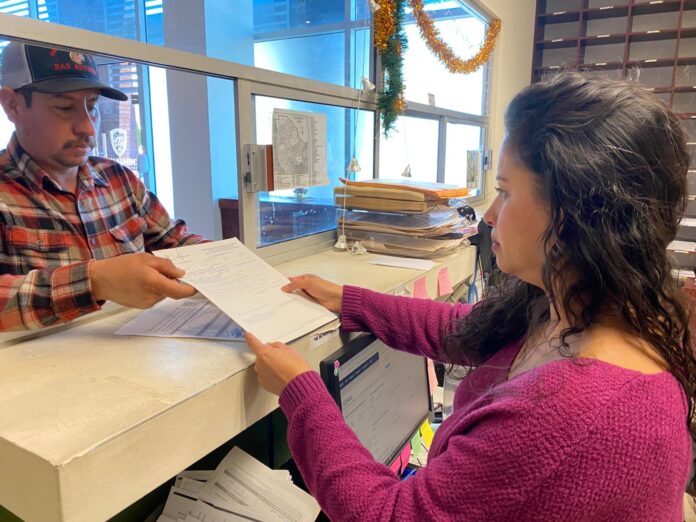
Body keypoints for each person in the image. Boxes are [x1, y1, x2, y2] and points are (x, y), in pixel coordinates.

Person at [245, 72, 696, 520]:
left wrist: (298, 392)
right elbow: (468, 328)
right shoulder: (592, 311)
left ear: (571, 214)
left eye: (504, 192)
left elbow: (389, 515)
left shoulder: (569, 411)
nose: (489, 215)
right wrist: (351, 302)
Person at [0, 41, 202, 330]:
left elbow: (175, 242)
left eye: (92, 107)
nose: (88, 128)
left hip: (138, 349)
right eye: (65, 107)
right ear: (12, 105)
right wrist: (95, 281)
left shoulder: (118, 179)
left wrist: (229, 262)